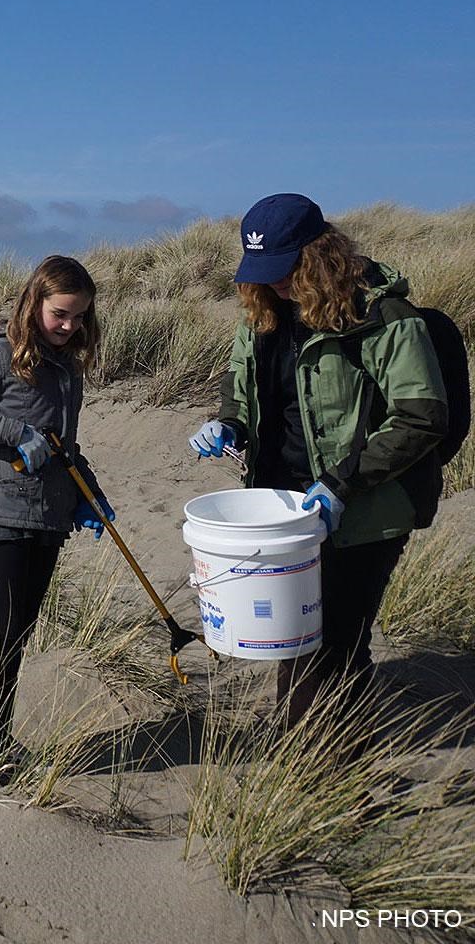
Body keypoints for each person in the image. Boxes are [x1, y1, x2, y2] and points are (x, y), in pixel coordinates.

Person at [189, 193, 448, 727]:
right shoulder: (263, 312)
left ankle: (333, 772)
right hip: (281, 511)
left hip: (364, 512)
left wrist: (340, 483)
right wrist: (229, 423)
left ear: (319, 256)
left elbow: (421, 417)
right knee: (293, 635)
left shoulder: (383, 318)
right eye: (263, 270)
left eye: (285, 269)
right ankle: (302, 750)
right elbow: (242, 384)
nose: (276, 282)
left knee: (337, 646)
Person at [0, 255, 114, 785]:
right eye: (60, 314)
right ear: (35, 303)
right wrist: (13, 432)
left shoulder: (68, 366)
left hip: (50, 514)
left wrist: (89, 496)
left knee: (19, 633)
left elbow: (66, 445)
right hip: (0, 510)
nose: (69, 326)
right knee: (1, 629)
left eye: (79, 317)